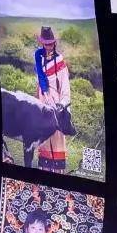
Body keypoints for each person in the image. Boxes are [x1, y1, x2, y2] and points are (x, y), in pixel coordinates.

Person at [33, 27, 72, 174]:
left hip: (56, 105)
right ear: (42, 43)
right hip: (42, 103)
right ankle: (44, 171)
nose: (48, 46)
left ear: (54, 43)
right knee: (44, 137)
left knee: (57, 136)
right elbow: (39, 81)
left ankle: (57, 174)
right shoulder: (39, 57)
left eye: (50, 43)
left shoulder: (60, 61)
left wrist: (62, 105)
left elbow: (65, 87)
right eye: (46, 44)